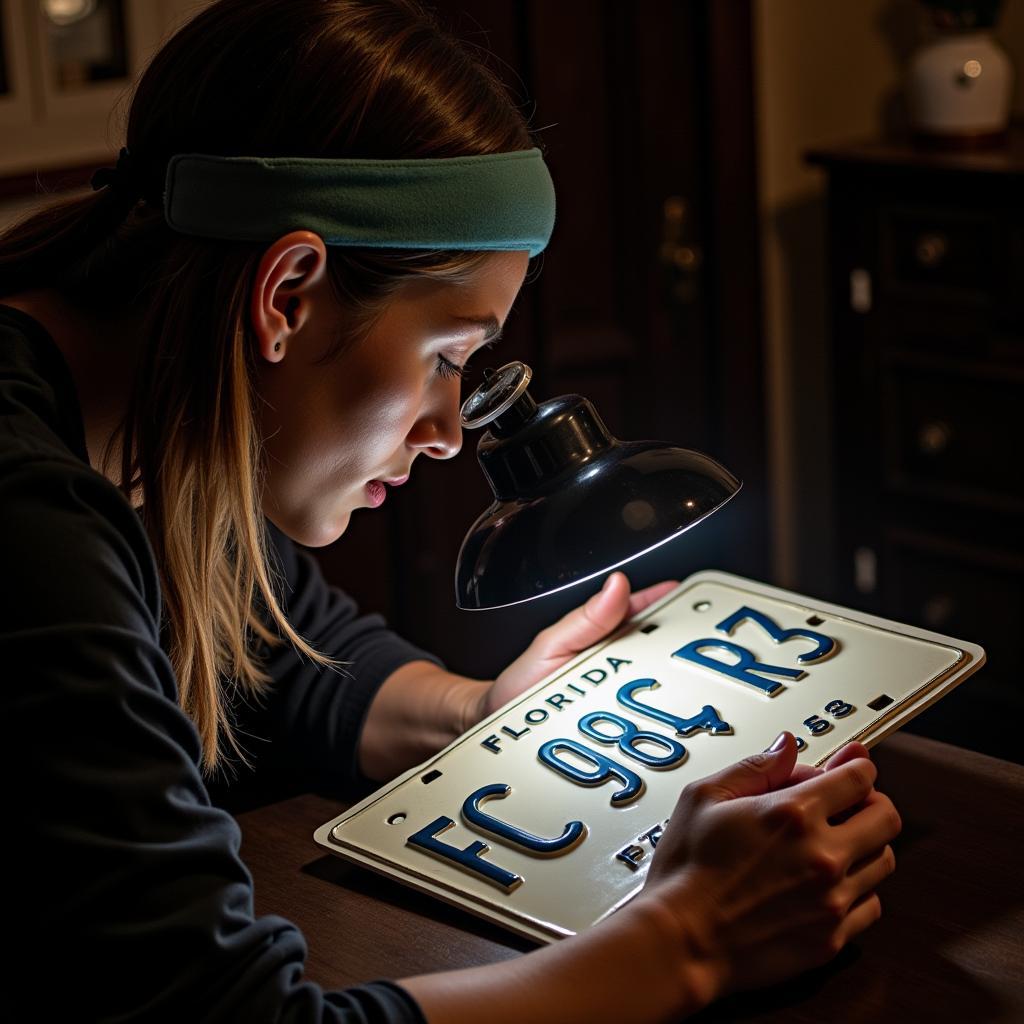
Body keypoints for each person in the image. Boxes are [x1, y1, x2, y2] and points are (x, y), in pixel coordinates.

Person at [0, 1, 901, 1020]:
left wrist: (491, 715)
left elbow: (289, 660)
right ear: (287, 291)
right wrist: (689, 937)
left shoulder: (134, 431)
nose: (446, 431)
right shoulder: (27, 522)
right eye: (447, 359)